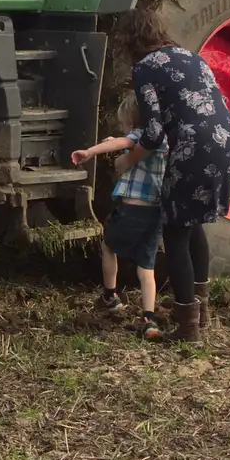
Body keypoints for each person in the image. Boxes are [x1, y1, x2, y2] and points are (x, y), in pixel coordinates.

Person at [109, 9, 230, 343]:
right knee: (192, 222)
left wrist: (128, 160)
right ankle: (203, 310)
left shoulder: (145, 69)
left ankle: (188, 328)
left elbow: (153, 133)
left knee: (175, 233)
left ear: (129, 41)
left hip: (194, 150)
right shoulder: (190, 56)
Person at [72, 91, 167, 340]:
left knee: (108, 246)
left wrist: (90, 151)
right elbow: (127, 144)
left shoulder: (139, 135)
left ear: (133, 122)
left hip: (132, 211)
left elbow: (123, 144)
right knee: (147, 267)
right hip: (156, 212)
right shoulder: (164, 140)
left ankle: (110, 296)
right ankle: (149, 318)